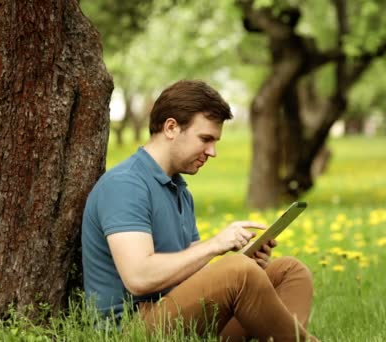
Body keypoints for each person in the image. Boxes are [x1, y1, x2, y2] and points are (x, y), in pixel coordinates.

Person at [82, 80, 317, 341]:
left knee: (289, 272)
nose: (212, 151)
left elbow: (189, 274)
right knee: (239, 271)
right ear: (171, 128)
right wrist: (216, 246)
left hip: (177, 315)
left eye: (215, 141)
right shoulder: (125, 184)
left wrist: (246, 260)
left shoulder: (179, 189)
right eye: (205, 139)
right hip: (132, 328)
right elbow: (139, 277)